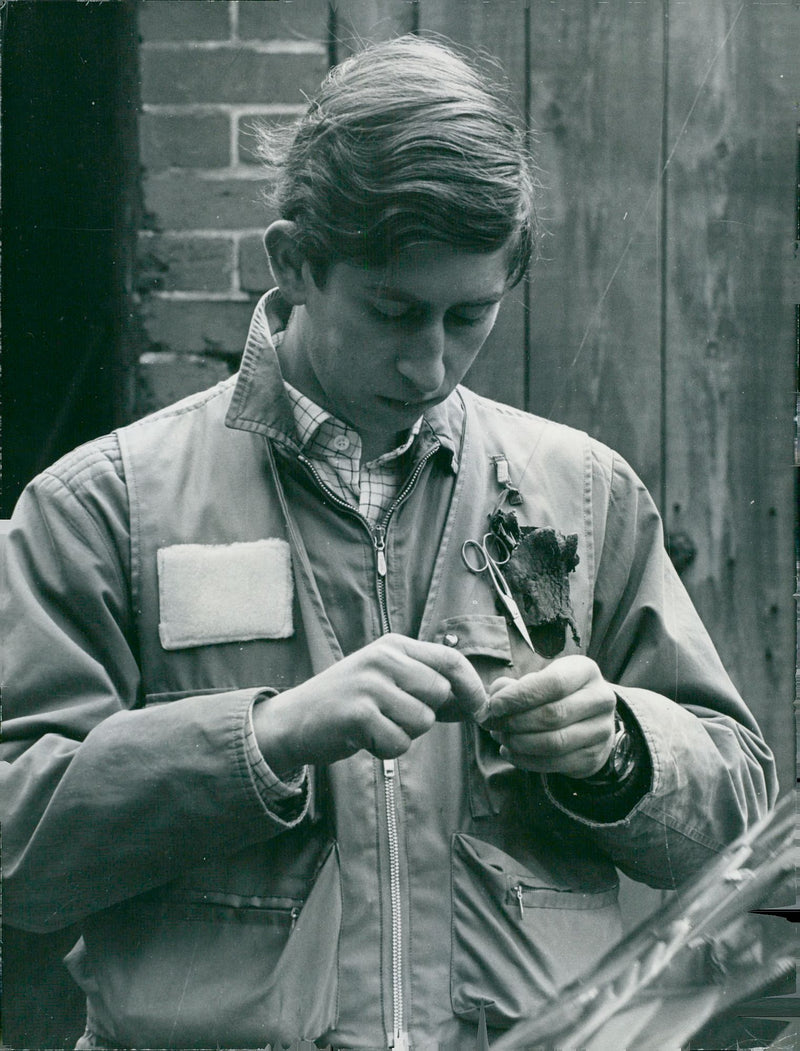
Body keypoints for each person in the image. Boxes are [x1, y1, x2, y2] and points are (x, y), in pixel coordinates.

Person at [1, 35, 777, 1051]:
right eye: (394, 310)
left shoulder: (581, 495)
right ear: (293, 262)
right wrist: (264, 739)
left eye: (471, 315)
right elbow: (16, 846)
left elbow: (741, 815)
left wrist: (620, 751)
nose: (430, 361)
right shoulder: (104, 505)